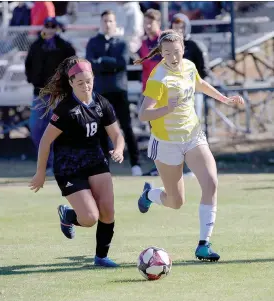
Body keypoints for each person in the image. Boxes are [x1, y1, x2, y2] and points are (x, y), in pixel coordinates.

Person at [134, 30, 244, 261]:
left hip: (193, 136)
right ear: (161, 54)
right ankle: (150, 195)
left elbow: (200, 84)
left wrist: (224, 99)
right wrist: (167, 109)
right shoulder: (158, 77)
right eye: (167, 53)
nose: (173, 57)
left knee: (211, 182)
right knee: (176, 202)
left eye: (176, 52)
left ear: (183, 49)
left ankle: (204, 244)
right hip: (166, 143)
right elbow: (143, 114)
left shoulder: (189, 66)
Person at [29, 56, 125, 268]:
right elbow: (45, 142)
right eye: (80, 82)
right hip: (69, 166)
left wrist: (118, 149)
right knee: (90, 218)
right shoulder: (65, 109)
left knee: (108, 211)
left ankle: (101, 257)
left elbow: (117, 134)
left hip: (95, 160)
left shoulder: (102, 103)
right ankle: (68, 215)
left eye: (89, 81)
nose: (86, 86)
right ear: (71, 83)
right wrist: (40, 173)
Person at [86, 10, 142, 176]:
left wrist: (102, 61)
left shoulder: (122, 43)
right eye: (105, 21)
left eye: (110, 21)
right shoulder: (93, 42)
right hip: (100, 93)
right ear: (101, 23)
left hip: (119, 91)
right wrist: (108, 64)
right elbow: (91, 64)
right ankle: (103, 167)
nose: (107, 24)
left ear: (115, 23)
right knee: (101, 130)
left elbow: (122, 63)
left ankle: (136, 164)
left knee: (126, 127)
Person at [25, 17, 76, 175]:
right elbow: (28, 65)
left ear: (57, 28)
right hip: (39, 94)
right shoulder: (36, 46)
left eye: (53, 26)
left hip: (58, 95)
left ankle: (56, 164)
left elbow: (73, 65)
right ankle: (46, 162)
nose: (50, 29)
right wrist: (33, 80)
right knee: (35, 128)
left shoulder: (64, 46)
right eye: (47, 25)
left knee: (57, 130)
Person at [171, 13, 209, 177]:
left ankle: (195, 166)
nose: (178, 30)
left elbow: (204, 71)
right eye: (176, 26)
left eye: (181, 27)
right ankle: (178, 167)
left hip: (192, 95)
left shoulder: (194, 46)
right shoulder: (169, 47)